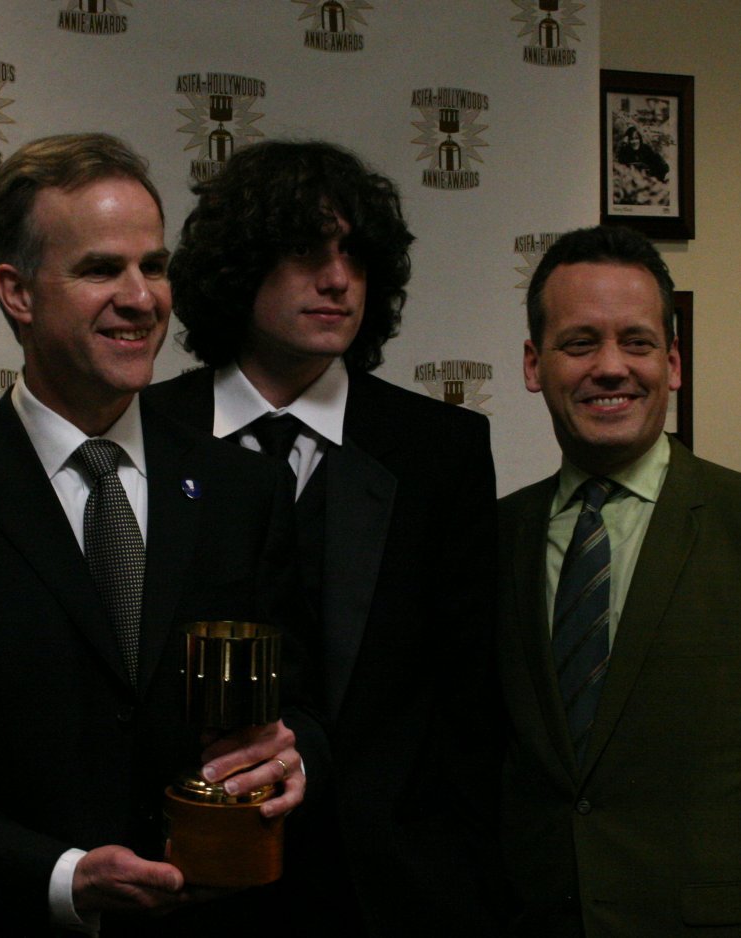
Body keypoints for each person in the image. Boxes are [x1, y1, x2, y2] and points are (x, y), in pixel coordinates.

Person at [0, 133, 324, 935]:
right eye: (102, 269)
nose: (143, 298)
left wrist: (292, 757)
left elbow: (304, 703)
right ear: (17, 291)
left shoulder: (244, 489)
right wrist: (62, 878)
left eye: (155, 265)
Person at [143, 140, 504, 934]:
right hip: (186, 886)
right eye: (305, 251)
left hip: (394, 896)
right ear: (240, 266)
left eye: (354, 255)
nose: (338, 279)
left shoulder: (439, 450)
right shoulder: (146, 433)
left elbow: (472, 702)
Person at [498, 224, 741, 936]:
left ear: (673, 363)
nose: (611, 367)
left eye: (637, 342)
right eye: (580, 342)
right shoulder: (493, 540)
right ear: (534, 363)